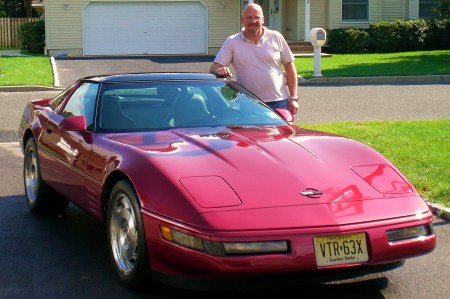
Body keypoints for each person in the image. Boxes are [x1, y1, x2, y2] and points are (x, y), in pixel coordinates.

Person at [209, 3, 299, 115]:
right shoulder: (232, 41)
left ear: (263, 20)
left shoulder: (276, 37)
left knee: (282, 133)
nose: (253, 21)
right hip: (249, 102)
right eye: (249, 17)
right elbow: (214, 68)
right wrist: (220, 70)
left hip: (279, 101)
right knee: (252, 133)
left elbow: (290, 68)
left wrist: (294, 98)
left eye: (257, 17)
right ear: (242, 20)